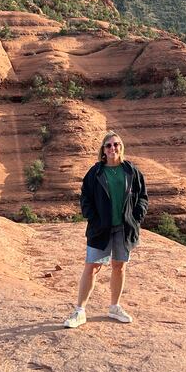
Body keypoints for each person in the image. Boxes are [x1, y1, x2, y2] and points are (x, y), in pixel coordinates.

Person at [63, 130, 148, 328]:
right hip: (101, 228)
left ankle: (114, 307)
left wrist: (136, 217)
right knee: (92, 266)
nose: (113, 148)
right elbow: (85, 198)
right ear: (103, 149)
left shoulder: (131, 171)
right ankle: (80, 311)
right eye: (108, 145)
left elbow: (142, 196)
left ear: (121, 147)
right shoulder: (96, 172)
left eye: (116, 144)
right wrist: (93, 218)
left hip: (124, 227)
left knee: (119, 266)